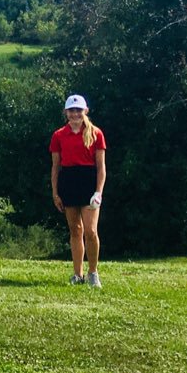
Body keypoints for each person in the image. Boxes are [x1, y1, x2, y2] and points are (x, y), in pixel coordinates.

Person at [50, 94, 107, 288]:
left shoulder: (96, 133)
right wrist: (55, 192)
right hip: (69, 182)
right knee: (75, 230)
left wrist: (98, 191)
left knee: (91, 231)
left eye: (78, 110)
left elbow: (101, 167)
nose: (75, 114)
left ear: (85, 112)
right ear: (66, 112)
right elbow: (55, 167)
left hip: (89, 183)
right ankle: (78, 274)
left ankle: (93, 273)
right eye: (71, 110)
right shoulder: (58, 135)